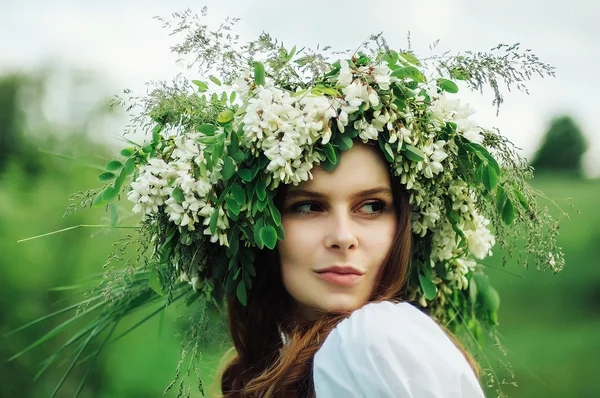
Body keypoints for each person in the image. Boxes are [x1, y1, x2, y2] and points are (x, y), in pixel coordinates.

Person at [220, 142, 485, 397]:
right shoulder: (274, 366)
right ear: (256, 228)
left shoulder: (375, 340)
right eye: (309, 207)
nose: (343, 237)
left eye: (372, 206)